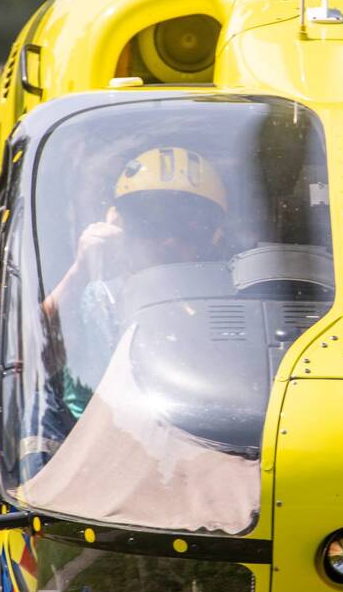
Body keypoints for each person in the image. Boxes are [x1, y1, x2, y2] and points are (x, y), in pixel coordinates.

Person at [21, 146, 228, 477]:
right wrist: (80, 271)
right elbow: (29, 356)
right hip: (96, 460)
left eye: (190, 227)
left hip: (191, 458)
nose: (169, 242)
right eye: (152, 224)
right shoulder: (93, 296)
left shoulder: (227, 306)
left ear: (214, 236)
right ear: (117, 222)